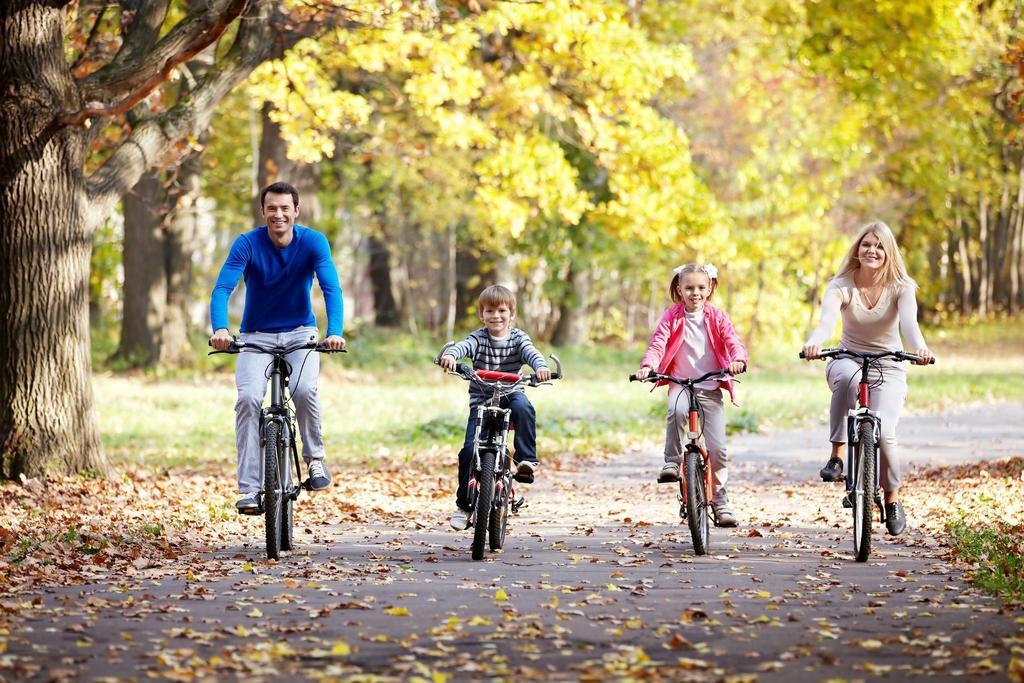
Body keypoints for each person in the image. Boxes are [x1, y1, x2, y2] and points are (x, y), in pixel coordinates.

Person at [210, 181, 346, 512]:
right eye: (272, 208)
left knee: (303, 391)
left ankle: (315, 460)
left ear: (296, 211)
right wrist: (221, 329)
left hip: (301, 334)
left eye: (285, 208)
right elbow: (222, 288)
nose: (278, 214)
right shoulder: (247, 243)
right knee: (247, 399)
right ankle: (249, 488)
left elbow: (331, 288)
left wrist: (335, 331)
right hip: (255, 337)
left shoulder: (313, 242)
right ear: (263, 211)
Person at [802, 220, 933, 536]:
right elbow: (827, 321)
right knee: (846, 379)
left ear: (889, 253)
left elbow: (909, 326)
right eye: (866, 245)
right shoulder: (840, 285)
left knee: (885, 431)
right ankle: (837, 456)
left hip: (889, 366)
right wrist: (815, 342)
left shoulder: (902, 287)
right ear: (857, 250)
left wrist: (920, 349)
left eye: (879, 246)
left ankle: (891, 499)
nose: (872, 251)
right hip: (847, 358)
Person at [636, 263, 748, 528]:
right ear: (679, 288)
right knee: (676, 411)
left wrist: (738, 359)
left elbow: (733, 341)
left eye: (700, 287)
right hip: (681, 384)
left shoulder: (717, 317)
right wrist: (647, 366)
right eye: (689, 287)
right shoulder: (672, 316)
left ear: (709, 288)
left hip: (709, 388)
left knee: (718, 448)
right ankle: (672, 462)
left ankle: (721, 501)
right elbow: (658, 343)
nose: (695, 293)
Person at [438, 285, 551, 531]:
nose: (496, 316)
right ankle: (464, 506)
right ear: (482, 315)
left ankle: (526, 460)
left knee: (524, 407)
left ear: (512, 314)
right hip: (482, 399)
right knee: (469, 451)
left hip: (512, 394)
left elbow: (532, 354)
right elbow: (463, 347)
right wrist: (452, 357)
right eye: (489, 311)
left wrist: (540, 368)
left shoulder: (519, 338)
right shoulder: (478, 338)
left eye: (502, 310)